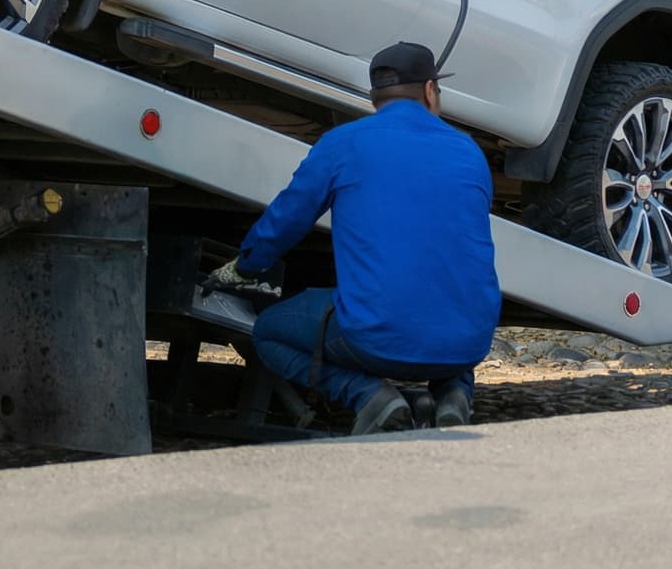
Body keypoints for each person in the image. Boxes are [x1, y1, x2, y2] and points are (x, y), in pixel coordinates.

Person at [206, 42, 501, 434]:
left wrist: (245, 267)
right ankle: (454, 395)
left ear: (374, 97)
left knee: (268, 333)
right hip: (471, 341)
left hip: (374, 338)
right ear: (431, 91)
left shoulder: (343, 143)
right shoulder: (469, 152)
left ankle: (370, 396)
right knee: (448, 311)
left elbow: (286, 220)